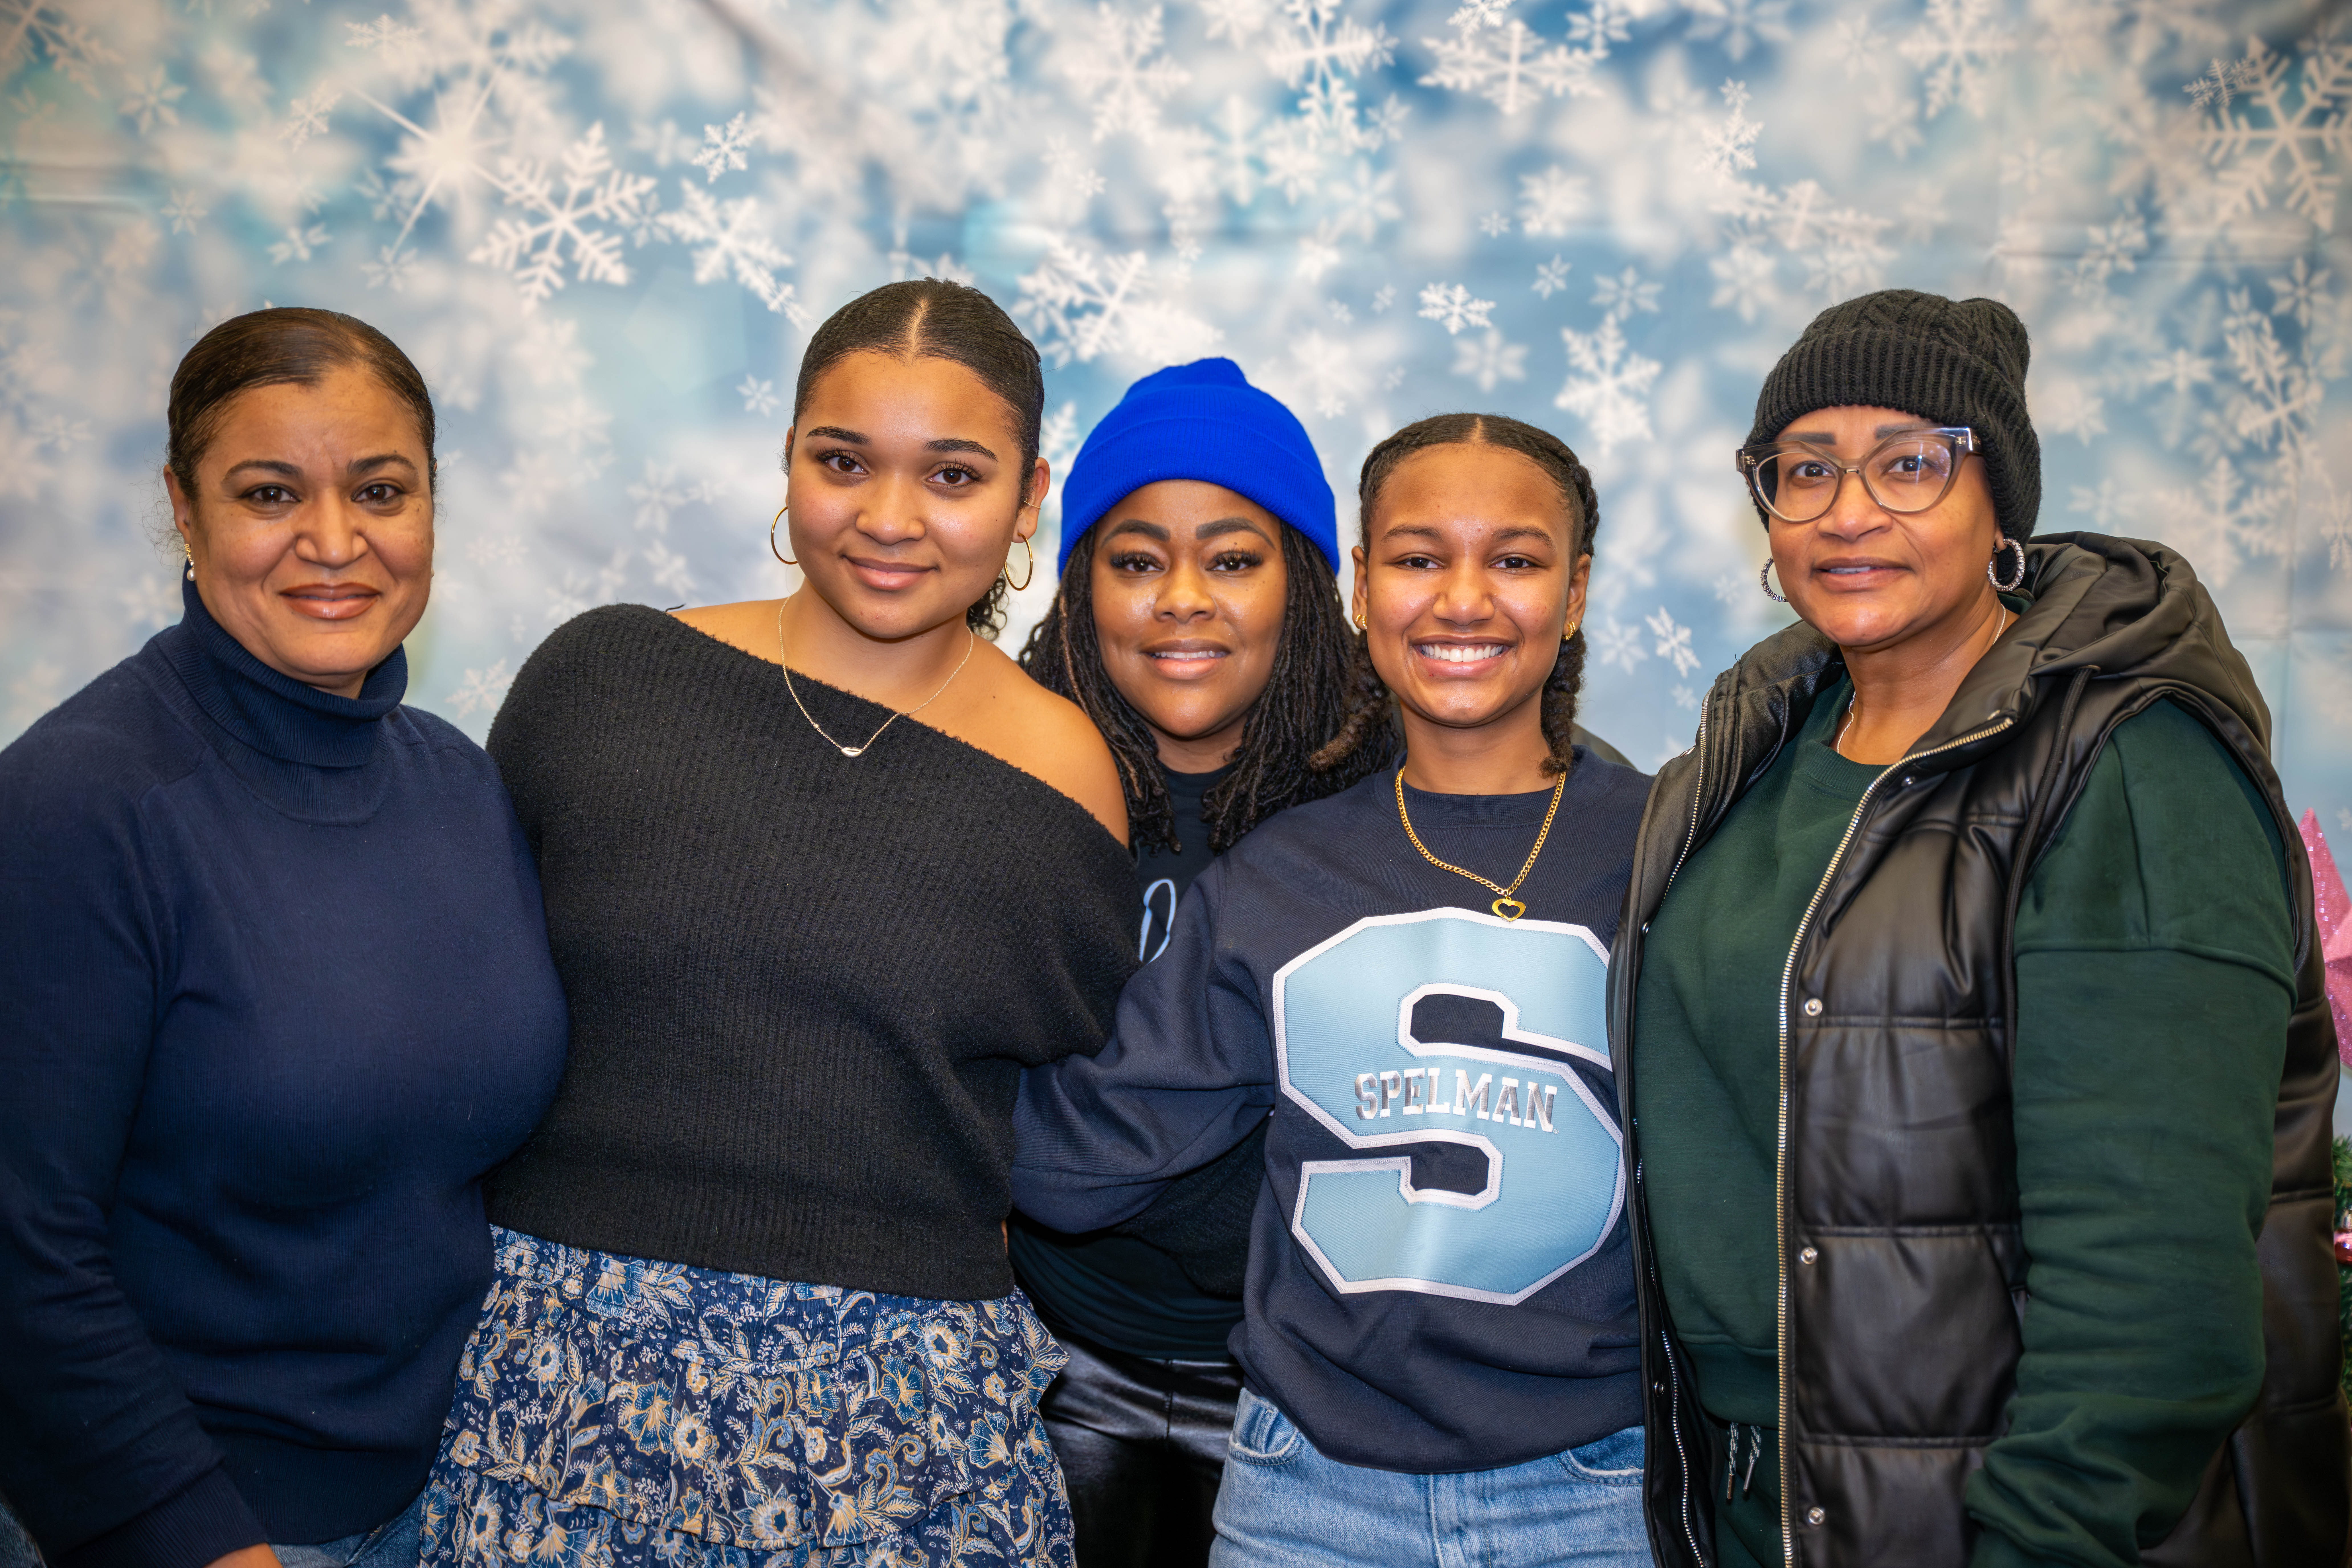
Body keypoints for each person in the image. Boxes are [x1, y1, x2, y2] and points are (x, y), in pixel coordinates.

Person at [1612, 289, 2348, 1567]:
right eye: (1806, 469)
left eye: (1911, 463)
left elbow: (2153, 1292)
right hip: (1761, 1503)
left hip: (2005, 1521)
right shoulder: (1745, 760)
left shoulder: (2130, 767)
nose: (1849, 510)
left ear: (1998, 499)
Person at [421, 280, 1134, 1568]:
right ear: (789, 456)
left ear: (1031, 499)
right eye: (844, 461)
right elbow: (459, 1019)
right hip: (565, 1372)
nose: (890, 518)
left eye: (955, 475)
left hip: (900, 1421)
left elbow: (1048, 1097)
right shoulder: (604, 681)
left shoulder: (1066, 779)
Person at [1014, 413, 1655, 1568]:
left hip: (1598, 1478)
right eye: (1418, 558)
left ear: (1577, 589)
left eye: (1514, 559)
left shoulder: (1673, 847)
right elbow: (1076, 1159)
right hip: (1311, 1486)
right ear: (1361, 586)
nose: (1463, 597)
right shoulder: (1282, 870)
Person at [0, 309, 570, 1568]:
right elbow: (23, 1246)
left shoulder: (457, 783)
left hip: (445, 1506)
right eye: (270, 492)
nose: (333, 541)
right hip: (194, 1519)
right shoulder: (80, 803)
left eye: (381, 489)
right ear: (184, 511)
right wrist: (196, 1538)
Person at [1009, 359, 1374, 1567]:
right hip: (1048, 1365)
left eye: (1232, 557)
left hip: (1300, 1398)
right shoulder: (1002, 783)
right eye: (1134, 559)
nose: (1181, 599)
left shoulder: (1387, 807)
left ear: (1304, 586)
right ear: (1080, 587)